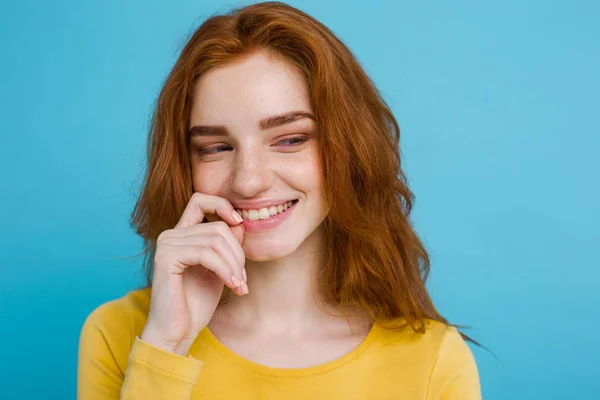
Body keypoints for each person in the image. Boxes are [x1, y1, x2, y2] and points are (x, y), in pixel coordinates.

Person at [77, 1, 481, 399]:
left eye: (291, 139)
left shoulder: (433, 361)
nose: (249, 181)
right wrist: (166, 347)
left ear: (349, 151)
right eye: (216, 147)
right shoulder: (120, 335)